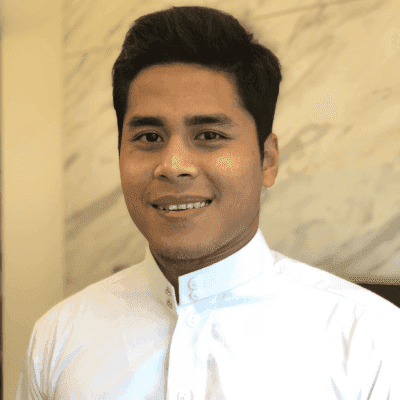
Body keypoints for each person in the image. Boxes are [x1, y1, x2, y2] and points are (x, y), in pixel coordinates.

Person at [16, 6, 400, 399]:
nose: (173, 166)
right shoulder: (59, 337)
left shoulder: (371, 341)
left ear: (268, 160)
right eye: (149, 137)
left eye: (209, 135)